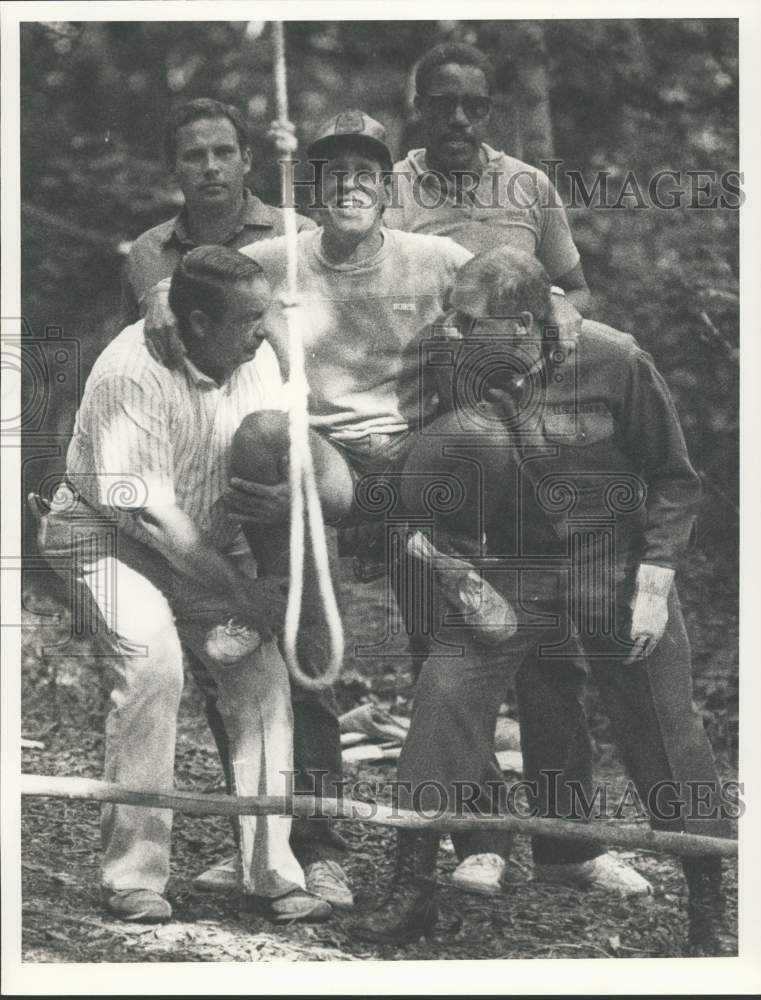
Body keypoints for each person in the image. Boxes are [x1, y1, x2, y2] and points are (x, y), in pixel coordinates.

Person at [353, 247, 732, 955]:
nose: (453, 331)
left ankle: (707, 900)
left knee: (664, 732)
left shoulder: (615, 360)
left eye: (471, 320)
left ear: (524, 323)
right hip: (510, 565)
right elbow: (424, 452)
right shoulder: (447, 357)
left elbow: (675, 481)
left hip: (613, 564)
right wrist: (426, 543)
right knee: (444, 695)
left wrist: (653, 582)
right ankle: (411, 886)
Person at [36, 246, 331, 924]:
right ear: (195, 322)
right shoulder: (129, 372)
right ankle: (134, 874)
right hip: (103, 540)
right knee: (152, 661)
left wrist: (279, 512)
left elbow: (286, 444)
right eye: (248, 320)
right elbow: (152, 520)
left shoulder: (256, 353)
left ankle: (271, 870)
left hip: (200, 547)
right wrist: (246, 592)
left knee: (258, 671)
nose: (262, 331)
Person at [381, 41, 606, 897]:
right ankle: (473, 838)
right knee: (449, 635)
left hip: (531, 437)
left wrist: (556, 316)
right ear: (419, 107)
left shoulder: (527, 188)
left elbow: (575, 289)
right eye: (444, 104)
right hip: (439, 438)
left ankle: (567, 846)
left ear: (492, 110)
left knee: (550, 639)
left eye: (475, 105)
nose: (460, 121)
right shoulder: (392, 189)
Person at [120, 98, 351, 910]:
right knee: (228, 642)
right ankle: (257, 841)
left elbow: (292, 359)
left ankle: (315, 848)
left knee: (295, 636)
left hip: (274, 443)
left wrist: (291, 440)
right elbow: (166, 337)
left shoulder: (288, 232)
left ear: (248, 158)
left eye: (224, 152)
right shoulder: (153, 251)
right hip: (190, 469)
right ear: (174, 167)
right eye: (193, 156)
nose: (211, 167)